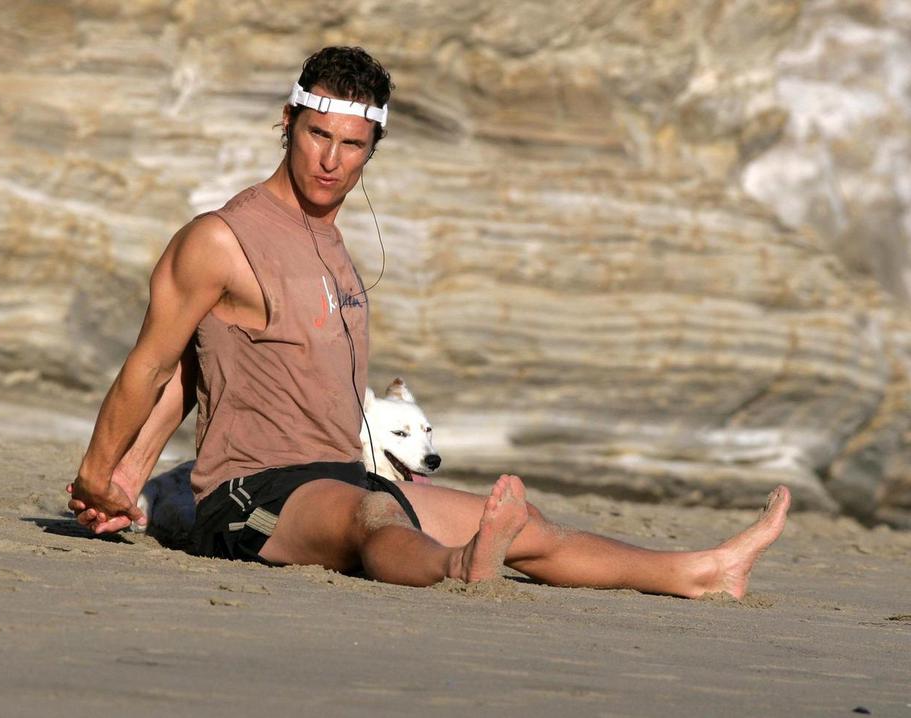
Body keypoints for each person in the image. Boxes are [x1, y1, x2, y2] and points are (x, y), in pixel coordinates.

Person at [68, 46, 790, 597]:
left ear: (372, 150)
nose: (331, 161)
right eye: (318, 135)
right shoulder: (220, 238)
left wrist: (131, 477)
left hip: (342, 475)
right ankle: (459, 567)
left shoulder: (332, 245)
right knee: (372, 522)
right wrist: (101, 476)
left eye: (353, 145)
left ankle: (699, 571)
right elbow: (156, 364)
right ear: (286, 123)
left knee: (528, 526)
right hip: (252, 497)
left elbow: (200, 366)